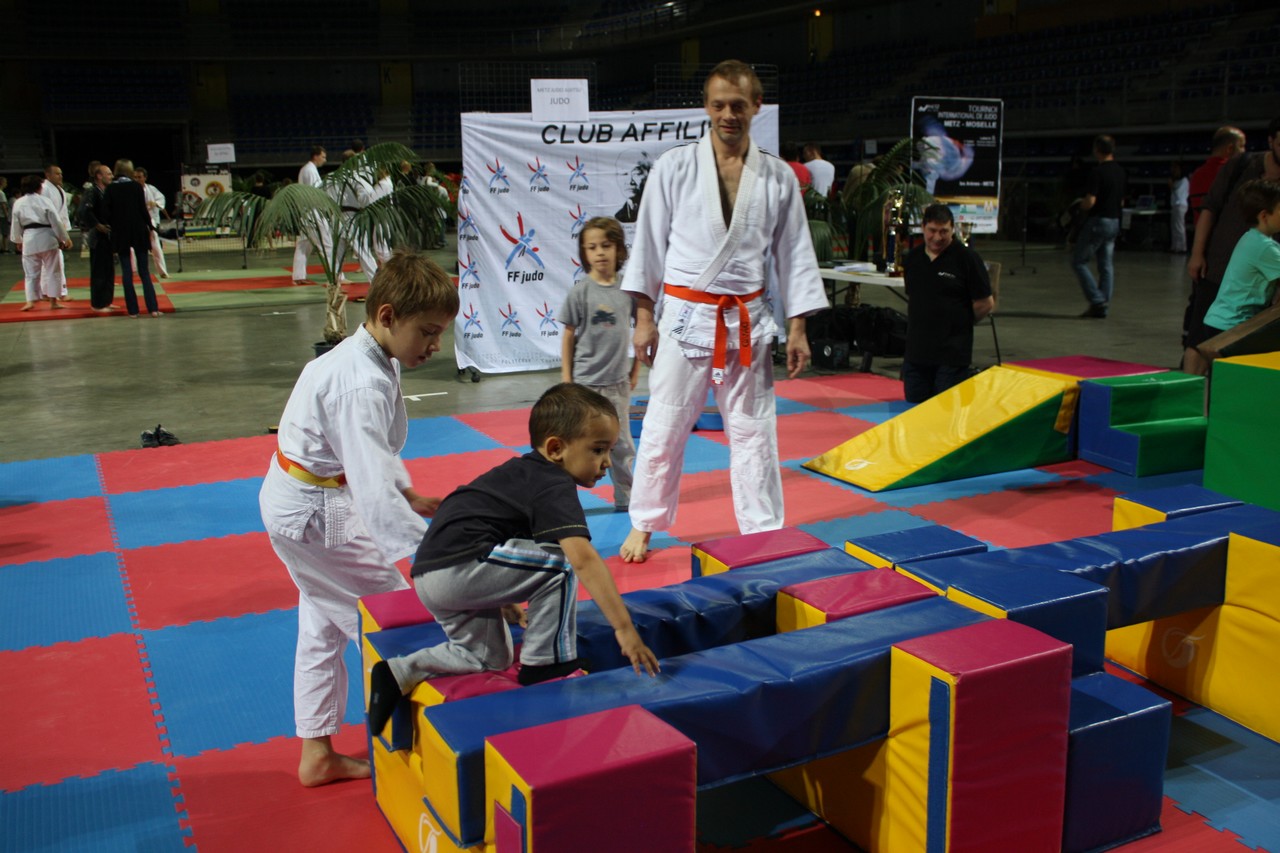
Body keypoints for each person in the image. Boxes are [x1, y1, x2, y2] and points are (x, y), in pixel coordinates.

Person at [259, 249, 458, 786]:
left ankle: (317, 753)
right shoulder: (359, 381)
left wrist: (407, 492)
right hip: (315, 513)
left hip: (307, 499)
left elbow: (371, 453)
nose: (435, 346)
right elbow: (370, 484)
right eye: (428, 332)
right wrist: (437, 560)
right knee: (401, 617)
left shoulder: (370, 355)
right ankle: (429, 748)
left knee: (321, 626)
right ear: (388, 316)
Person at [619, 59, 828, 563]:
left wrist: (798, 328)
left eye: (738, 105)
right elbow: (648, 245)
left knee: (755, 431)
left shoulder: (777, 176)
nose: (728, 115)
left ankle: (762, 529)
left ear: (756, 106)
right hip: (685, 318)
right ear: (706, 107)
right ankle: (644, 523)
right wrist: (643, 319)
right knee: (665, 424)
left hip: (748, 322)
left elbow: (795, 253)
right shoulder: (674, 167)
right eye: (719, 105)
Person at [366, 383, 661, 737]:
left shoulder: (520, 474)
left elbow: (489, 531)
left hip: (434, 576)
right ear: (556, 448)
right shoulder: (552, 483)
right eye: (598, 450)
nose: (607, 462)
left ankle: (399, 672)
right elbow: (583, 559)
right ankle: (546, 664)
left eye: (610, 450)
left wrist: (503, 600)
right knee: (562, 565)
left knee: (487, 658)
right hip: (457, 569)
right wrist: (624, 630)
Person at [1183, 117, 1280, 375]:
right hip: (1221, 283)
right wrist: (1197, 253)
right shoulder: (1241, 165)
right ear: (1271, 141)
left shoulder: (1253, 239)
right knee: (1201, 348)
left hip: (1232, 308)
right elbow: (1209, 208)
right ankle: (1191, 391)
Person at [560, 216, 639, 511]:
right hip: (585, 384)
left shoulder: (628, 290)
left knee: (622, 444)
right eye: (592, 247)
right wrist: (567, 379)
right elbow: (568, 335)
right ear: (584, 253)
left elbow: (640, 330)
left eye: (606, 245)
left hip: (617, 384)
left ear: (618, 249)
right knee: (576, 442)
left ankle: (626, 498)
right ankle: (562, 500)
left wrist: (635, 370)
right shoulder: (580, 292)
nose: (600, 252)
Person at [901, 203, 994, 403]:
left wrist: (960, 323)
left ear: (953, 229)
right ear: (923, 228)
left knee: (946, 408)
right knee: (913, 405)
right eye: (932, 231)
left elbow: (985, 303)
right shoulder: (912, 259)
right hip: (917, 351)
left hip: (952, 353)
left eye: (944, 231)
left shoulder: (967, 258)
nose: (937, 237)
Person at [1189, 179, 1280, 369]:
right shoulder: (1264, 248)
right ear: (1264, 215)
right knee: (1235, 379)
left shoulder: (1251, 237)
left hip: (1220, 321)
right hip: (1232, 326)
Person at [1070, 134, 1125, 318]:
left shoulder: (1097, 172)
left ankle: (1097, 300)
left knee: (1079, 261)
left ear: (1097, 150)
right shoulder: (1120, 172)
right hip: (1114, 220)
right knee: (1106, 265)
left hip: (1098, 221)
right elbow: (1122, 200)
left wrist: (1080, 205)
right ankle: (1103, 305)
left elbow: (1090, 202)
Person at [103, 158, 161, 318]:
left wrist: (113, 224)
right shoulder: (136, 187)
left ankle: (133, 310)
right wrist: (151, 227)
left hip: (120, 233)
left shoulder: (110, 189)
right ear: (130, 170)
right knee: (144, 271)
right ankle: (153, 308)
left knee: (127, 272)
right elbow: (143, 210)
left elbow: (106, 213)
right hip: (138, 231)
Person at [9, 174, 72, 311]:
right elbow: (56, 222)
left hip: (29, 238)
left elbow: (15, 223)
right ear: (39, 187)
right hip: (47, 238)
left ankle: (30, 302)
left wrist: (18, 240)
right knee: (53, 271)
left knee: (30, 273)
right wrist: (64, 238)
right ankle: (53, 302)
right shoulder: (45, 201)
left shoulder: (18, 203)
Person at [78, 162, 117, 312]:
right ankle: (97, 304)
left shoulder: (106, 191)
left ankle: (107, 300)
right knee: (99, 271)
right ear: (99, 176)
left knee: (109, 270)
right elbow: (83, 211)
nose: (112, 176)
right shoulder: (92, 191)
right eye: (108, 174)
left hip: (107, 235)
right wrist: (97, 225)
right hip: (97, 236)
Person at [292, 145, 332, 286]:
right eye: (323, 157)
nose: (325, 160)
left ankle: (298, 276)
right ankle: (335, 276)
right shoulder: (310, 170)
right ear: (315, 156)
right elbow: (316, 192)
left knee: (303, 245)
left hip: (306, 212)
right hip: (314, 211)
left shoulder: (306, 169)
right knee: (327, 244)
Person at [1188, 126, 1245, 227]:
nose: (1244, 151)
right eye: (1241, 146)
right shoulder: (1233, 173)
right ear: (1230, 148)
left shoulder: (1196, 174)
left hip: (1201, 234)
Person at [38, 163, 71, 301]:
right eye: (57, 173)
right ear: (48, 175)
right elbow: (47, 213)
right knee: (54, 263)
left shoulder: (59, 189)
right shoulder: (45, 189)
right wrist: (60, 234)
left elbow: (62, 214)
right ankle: (58, 293)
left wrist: (64, 231)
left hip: (57, 229)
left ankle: (47, 292)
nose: (60, 176)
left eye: (61, 173)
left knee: (52, 263)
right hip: (49, 230)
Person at [134, 167, 169, 278]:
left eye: (139, 177)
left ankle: (162, 271)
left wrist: (155, 203)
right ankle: (134, 271)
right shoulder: (131, 189)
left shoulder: (151, 189)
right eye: (135, 177)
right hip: (136, 221)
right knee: (132, 249)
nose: (137, 179)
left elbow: (161, 199)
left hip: (151, 221)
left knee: (155, 246)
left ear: (145, 177)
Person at [614, 153, 652, 223]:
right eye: (624, 174)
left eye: (637, 174)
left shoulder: (657, 209)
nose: (630, 182)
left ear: (647, 175)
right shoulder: (619, 215)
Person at [1169, 162, 1189, 254]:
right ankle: (1175, 246)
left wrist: (1171, 186)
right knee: (1174, 227)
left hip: (1180, 205)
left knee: (1179, 227)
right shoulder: (1176, 181)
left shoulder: (1184, 180)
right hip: (1175, 205)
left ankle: (1182, 247)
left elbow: (1178, 193)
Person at [0, 176, 11, 254]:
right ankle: (5, 248)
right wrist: (7, 215)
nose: (6, 184)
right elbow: (3, 205)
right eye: (5, 182)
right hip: (2, 216)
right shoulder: (1, 193)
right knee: (5, 232)